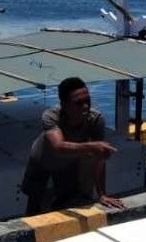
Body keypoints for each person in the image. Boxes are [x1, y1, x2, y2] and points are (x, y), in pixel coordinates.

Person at [22, 77, 126, 215]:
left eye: (87, 101)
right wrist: (92, 146)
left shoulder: (95, 120)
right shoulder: (51, 116)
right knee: (36, 206)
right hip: (42, 162)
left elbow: (99, 158)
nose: (85, 106)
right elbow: (58, 146)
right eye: (78, 103)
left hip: (68, 164)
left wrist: (102, 194)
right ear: (64, 104)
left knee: (66, 201)